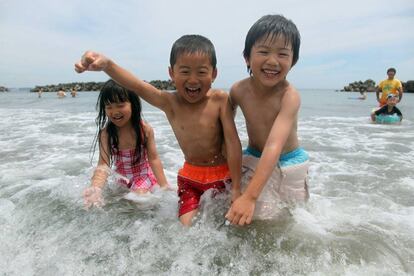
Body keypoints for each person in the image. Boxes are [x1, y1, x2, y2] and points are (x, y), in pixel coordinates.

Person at [75, 35, 242, 226]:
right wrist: (107, 65)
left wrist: (237, 188)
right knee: (187, 228)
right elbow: (138, 85)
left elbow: (233, 143)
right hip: (191, 179)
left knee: (230, 225)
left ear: (214, 74)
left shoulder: (219, 100)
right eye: (185, 71)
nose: (193, 79)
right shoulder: (170, 103)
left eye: (201, 72)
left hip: (223, 175)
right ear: (171, 73)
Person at [225, 14, 309, 226]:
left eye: (282, 54)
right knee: (248, 218)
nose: (272, 61)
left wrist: (250, 196)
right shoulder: (238, 90)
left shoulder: (289, 96)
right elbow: (225, 131)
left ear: (293, 61)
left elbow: (274, 145)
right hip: (254, 158)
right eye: (263, 52)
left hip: (289, 163)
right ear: (247, 57)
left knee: (291, 221)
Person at [83, 79, 170, 209]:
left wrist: (164, 187)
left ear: (133, 104)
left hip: (142, 176)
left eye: (120, 105)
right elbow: (103, 164)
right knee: (103, 203)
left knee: (140, 200)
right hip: (121, 179)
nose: (114, 111)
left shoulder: (145, 130)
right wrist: (95, 187)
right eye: (109, 106)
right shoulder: (106, 133)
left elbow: (154, 159)